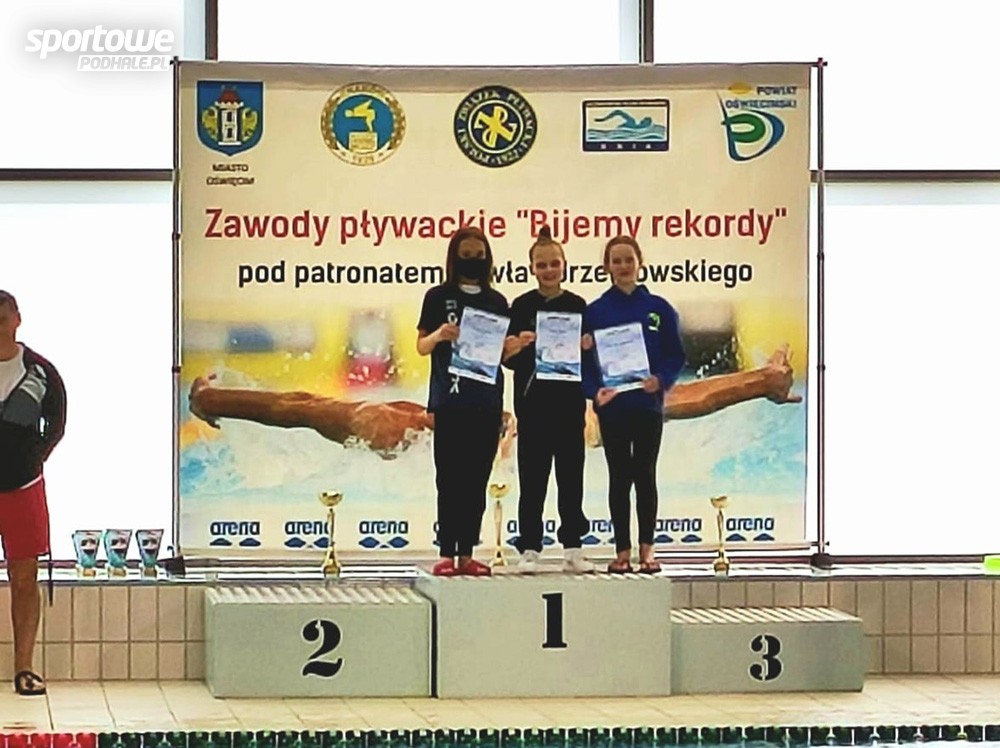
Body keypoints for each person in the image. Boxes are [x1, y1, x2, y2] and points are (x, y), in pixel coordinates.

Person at [187, 344, 801, 454]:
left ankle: (213, 403)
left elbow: (683, 398)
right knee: (316, 409)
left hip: (491, 436)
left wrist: (761, 381)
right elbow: (684, 399)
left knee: (316, 409)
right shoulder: (399, 426)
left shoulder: (398, 424)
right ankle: (214, 402)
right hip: (476, 438)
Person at [582, 236, 685, 575]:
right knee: (619, 477)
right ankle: (622, 551)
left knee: (645, 474)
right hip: (613, 408)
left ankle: (647, 551)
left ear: (640, 262)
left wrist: (662, 379)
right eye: (617, 260)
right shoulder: (595, 312)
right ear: (606, 267)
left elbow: (675, 356)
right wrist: (594, 391)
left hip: (647, 406)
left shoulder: (659, 308)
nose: (623, 266)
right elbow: (583, 364)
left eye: (629, 259)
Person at [416, 226, 513, 577]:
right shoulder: (437, 297)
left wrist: (518, 345)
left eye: (479, 255)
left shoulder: (497, 301)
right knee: (449, 478)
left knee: (476, 480)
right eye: (466, 255)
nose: (473, 260)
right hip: (450, 400)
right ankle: (447, 552)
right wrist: (439, 335)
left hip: (485, 402)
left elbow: (501, 354)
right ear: (454, 258)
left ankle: (467, 552)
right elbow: (421, 346)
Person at [502, 226, 594, 574]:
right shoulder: (521, 306)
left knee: (571, 480)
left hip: (569, 406)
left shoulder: (577, 306)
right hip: (533, 408)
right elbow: (505, 358)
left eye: (555, 263)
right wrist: (520, 344)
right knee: (533, 481)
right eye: (542, 265)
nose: (549, 270)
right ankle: (529, 547)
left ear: (565, 265)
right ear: (532, 269)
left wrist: (586, 347)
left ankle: (573, 546)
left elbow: (589, 360)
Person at [0, 290, 66, 696]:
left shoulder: (40, 371)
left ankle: (24, 668)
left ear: (17, 320)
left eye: (1, 320)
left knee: (24, 581)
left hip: (23, 488)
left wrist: (33, 459)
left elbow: (56, 425)